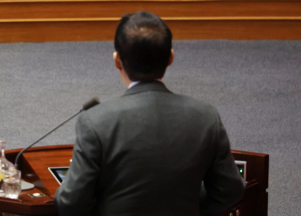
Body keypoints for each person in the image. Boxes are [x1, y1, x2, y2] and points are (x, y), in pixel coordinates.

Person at [54, 11, 245, 216]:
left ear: (117, 60)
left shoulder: (96, 121)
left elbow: (71, 203)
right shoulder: (206, 117)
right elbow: (230, 190)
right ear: (170, 57)